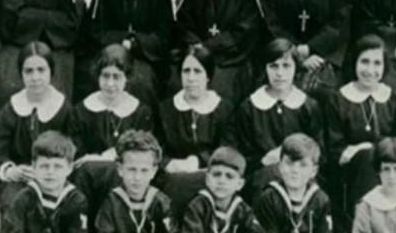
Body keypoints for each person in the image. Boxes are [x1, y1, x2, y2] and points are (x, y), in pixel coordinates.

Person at [324, 35, 396, 233]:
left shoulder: (393, 98)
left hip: (390, 164)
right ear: (354, 62)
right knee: (366, 160)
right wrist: (358, 151)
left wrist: (375, 148)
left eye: (377, 63)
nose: (370, 70)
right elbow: (334, 144)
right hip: (351, 172)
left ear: (385, 66)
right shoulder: (338, 99)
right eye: (364, 62)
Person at [254, 134, 363, 233]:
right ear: (279, 166)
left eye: (303, 165)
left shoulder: (320, 198)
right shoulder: (269, 198)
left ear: (314, 171)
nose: (295, 171)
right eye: (289, 163)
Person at [227, 39, 324, 199]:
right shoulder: (249, 108)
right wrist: (264, 160)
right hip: (261, 179)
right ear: (265, 69)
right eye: (273, 66)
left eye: (286, 66)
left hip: (301, 175)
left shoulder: (309, 106)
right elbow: (242, 154)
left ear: (295, 69)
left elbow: (319, 151)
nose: (280, 73)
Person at [88, 0, 176, 105]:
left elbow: (164, 36)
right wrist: (121, 42)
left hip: (145, 58)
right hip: (109, 56)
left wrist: (135, 42)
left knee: (140, 84)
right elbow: (94, 30)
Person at [72, 45, 156, 221]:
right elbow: (78, 154)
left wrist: (105, 157)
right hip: (88, 180)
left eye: (116, 77)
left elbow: (144, 150)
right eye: (105, 76)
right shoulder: (81, 110)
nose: (110, 84)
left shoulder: (141, 112)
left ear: (127, 78)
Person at [94, 130, 179, 233]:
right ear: (120, 169)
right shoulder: (112, 201)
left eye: (144, 170)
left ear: (153, 171)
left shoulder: (161, 201)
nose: (137, 178)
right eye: (131, 169)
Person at [157, 45, 234, 217]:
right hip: (173, 177)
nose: (191, 78)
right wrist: (169, 163)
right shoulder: (166, 108)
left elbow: (227, 148)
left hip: (211, 175)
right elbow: (156, 147)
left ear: (208, 76)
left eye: (197, 71)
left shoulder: (223, 109)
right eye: (186, 71)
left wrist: (197, 161)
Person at [180, 146, 272, 233]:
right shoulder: (198, 205)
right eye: (217, 174)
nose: (222, 181)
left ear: (239, 184)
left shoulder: (242, 209)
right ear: (207, 178)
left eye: (229, 176)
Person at [0, 42, 73, 193]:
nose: (35, 77)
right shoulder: (11, 108)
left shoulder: (63, 108)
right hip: (20, 179)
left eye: (41, 70)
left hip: (55, 179)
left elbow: (74, 147)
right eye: (29, 71)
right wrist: (11, 170)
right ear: (21, 74)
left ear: (51, 71)